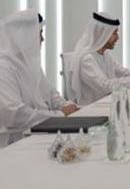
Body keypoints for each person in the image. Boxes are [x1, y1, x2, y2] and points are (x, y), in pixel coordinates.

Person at [0, 10, 79, 147]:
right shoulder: (4, 67)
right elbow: (15, 114)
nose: (42, 39)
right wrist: (59, 114)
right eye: (39, 33)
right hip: (14, 142)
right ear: (23, 36)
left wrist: (67, 106)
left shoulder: (28, 63)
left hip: (40, 131)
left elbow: (51, 94)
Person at [67, 12, 130, 105]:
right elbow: (105, 86)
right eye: (114, 33)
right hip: (93, 110)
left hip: (109, 103)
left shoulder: (105, 55)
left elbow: (125, 73)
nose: (118, 38)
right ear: (102, 34)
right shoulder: (86, 59)